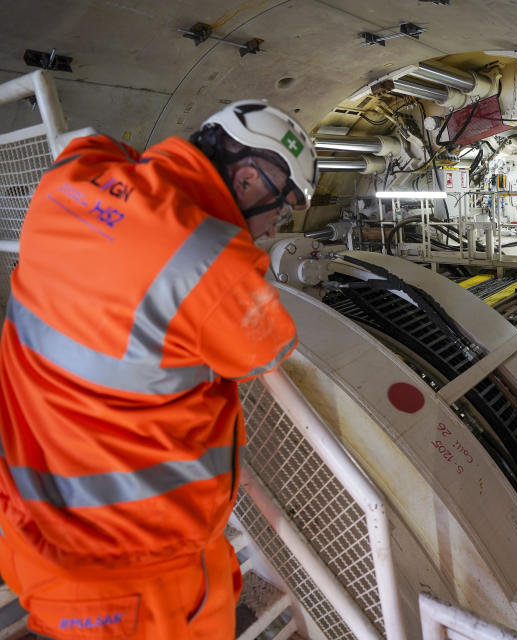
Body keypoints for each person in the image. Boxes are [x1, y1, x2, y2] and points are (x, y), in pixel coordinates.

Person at [0, 100, 317, 639]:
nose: (269, 230)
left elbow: (109, 148)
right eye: (279, 213)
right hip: (126, 572)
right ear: (246, 180)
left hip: (24, 519)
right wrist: (235, 249)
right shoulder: (213, 263)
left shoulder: (73, 176)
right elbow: (269, 345)